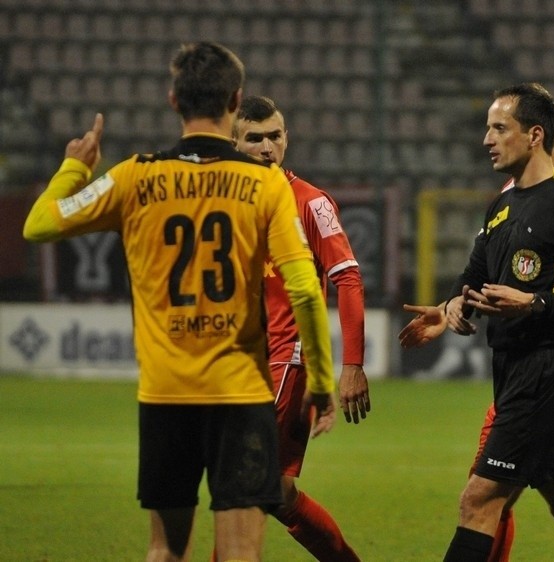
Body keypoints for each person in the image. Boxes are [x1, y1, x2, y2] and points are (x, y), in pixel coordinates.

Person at [23, 42, 336, 562]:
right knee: (240, 552)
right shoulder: (265, 185)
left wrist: (74, 168)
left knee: (166, 551)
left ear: (173, 100)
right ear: (236, 101)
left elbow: (39, 224)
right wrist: (322, 382)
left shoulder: (134, 177)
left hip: (166, 395)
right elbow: (304, 287)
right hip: (240, 394)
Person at [400, 103, 554, 561]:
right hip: (513, 369)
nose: (486, 139)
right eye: (487, 128)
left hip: (550, 370)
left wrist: (536, 306)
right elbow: (475, 271)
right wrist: (451, 302)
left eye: (498, 128)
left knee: (481, 498)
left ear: (537, 136)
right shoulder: (505, 200)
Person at [231, 95, 368, 561]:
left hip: (286, 358)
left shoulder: (311, 202)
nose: (268, 146)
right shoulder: (226, 202)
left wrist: (352, 365)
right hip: (239, 361)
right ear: (234, 141)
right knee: (278, 493)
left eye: (276, 136)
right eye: (255, 138)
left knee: (243, 485)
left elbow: (347, 277)